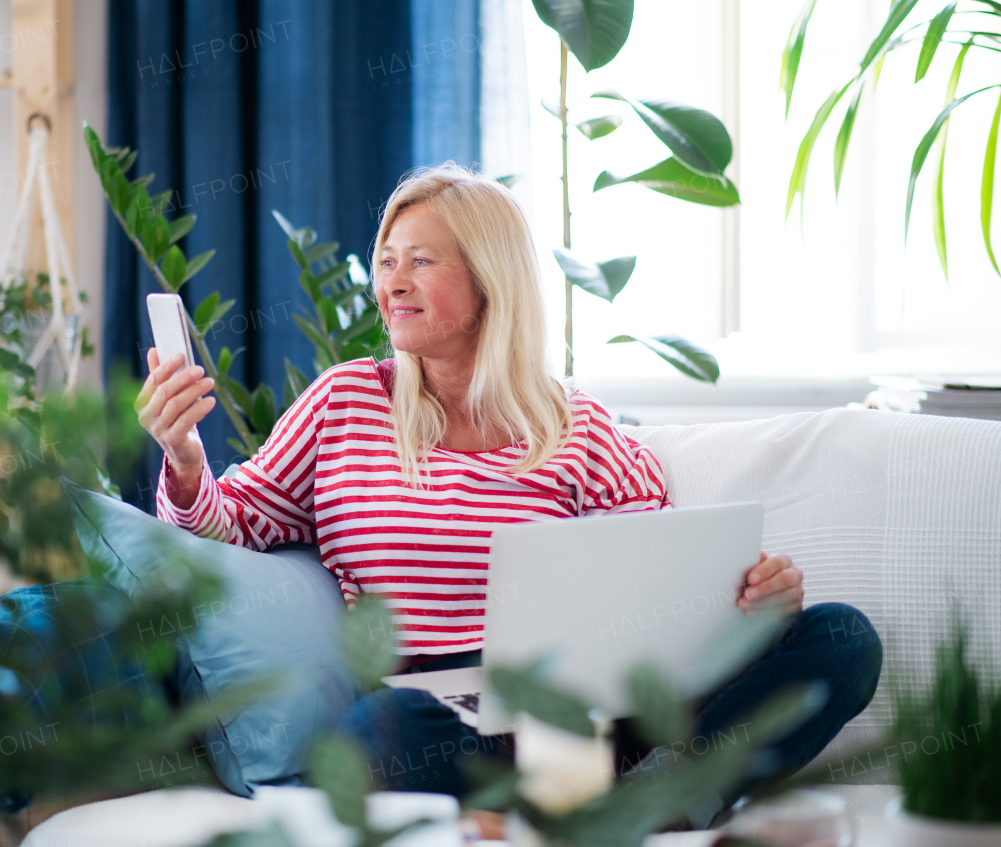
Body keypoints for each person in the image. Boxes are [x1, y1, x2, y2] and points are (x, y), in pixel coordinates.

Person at [134, 162, 882, 828]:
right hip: (447, 710)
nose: (391, 282)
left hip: (598, 704)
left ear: (489, 277)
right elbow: (230, 525)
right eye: (386, 260)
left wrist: (746, 603)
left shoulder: (575, 422)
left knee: (843, 637)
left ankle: (663, 791)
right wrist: (186, 460)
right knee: (379, 734)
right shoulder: (346, 402)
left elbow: (663, 581)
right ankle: (593, 803)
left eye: (420, 262)